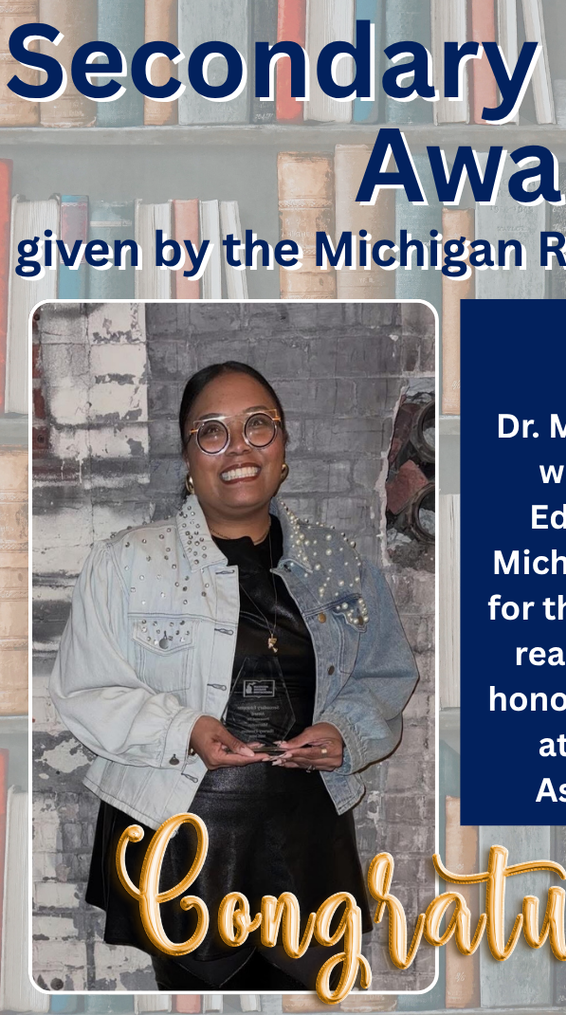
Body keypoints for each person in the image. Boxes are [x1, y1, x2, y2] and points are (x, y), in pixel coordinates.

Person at [49, 361, 420, 990]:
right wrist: (184, 727)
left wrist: (344, 731)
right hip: (178, 832)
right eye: (212, 433)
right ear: (188, 459)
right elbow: (85, 690)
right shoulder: (127, 562)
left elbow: (384, 672)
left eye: (258, 427)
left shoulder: (337, 561)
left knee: (306, 992)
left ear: (283, 448)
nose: (239, 449)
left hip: (306, 834)